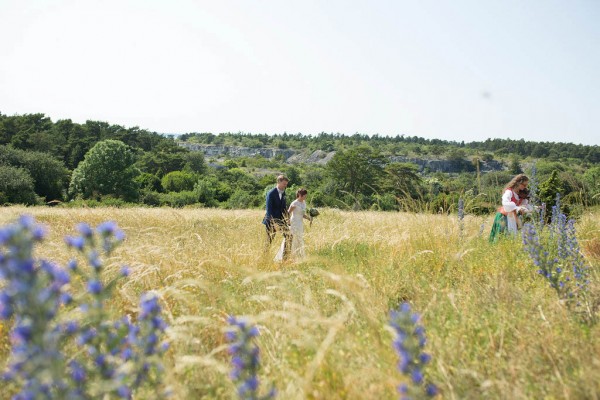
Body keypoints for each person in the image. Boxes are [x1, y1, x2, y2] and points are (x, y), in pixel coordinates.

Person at [489, 174, 531, 242]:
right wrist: (517, 208)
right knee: (501, 236)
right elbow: (505, 203)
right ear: (518, 182)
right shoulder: (509, 191)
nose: (525, 187)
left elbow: (524, 205)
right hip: (503, 216)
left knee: (511, 237)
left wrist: (528, 209)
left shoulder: (521, 193)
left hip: (512, 217)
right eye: (524, 185)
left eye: (526, 185)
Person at [275, 188, 312, 261]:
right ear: (300, 195)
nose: (305, 197)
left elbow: (302, 214)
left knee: (299, 239)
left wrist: (308, 218)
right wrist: (288, 222)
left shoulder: (304, 203)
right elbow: (288, 213)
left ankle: (298, 257)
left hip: (300, 223)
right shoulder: (294, 203)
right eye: (304, 196)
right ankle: (288, 256)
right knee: (292, 239)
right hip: (294, 222)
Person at [263, 175, 291, 259]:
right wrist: (274, 223)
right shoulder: (271, 193)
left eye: (286, 184)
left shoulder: (284, 193)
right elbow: (269, 210)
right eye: (284, 184)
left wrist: (288, 219)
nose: (285, 186)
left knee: (289, 236)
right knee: (269, 240)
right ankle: (265, 257)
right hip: (271, 221)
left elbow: (284, 208)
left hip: (281, 220)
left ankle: (285, 257)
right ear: (278, 182)